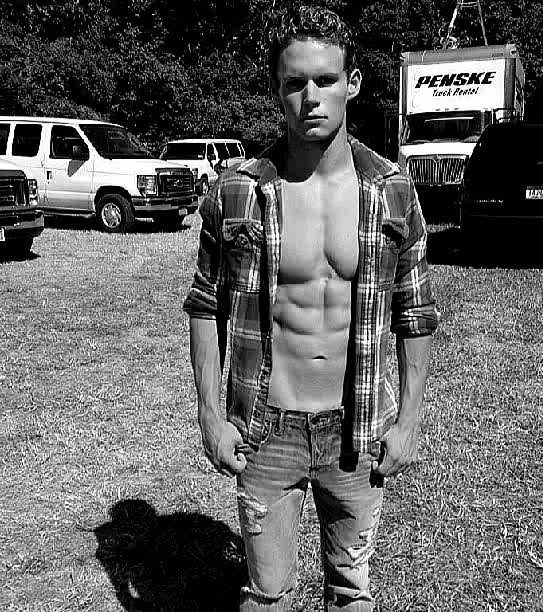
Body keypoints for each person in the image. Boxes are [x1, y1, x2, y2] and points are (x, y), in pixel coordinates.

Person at [184, 6, 438, 610]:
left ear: (352, 83)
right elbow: (204, 305)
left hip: (358, 429)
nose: (311, 97)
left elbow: (416, 311)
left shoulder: (392, 189)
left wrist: (407, 422)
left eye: (325, 79)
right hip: (266, 428)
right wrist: (211, 416)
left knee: (350, 591)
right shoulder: (238, 190)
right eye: (295, 82)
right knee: (267, 594)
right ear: (277, 90)